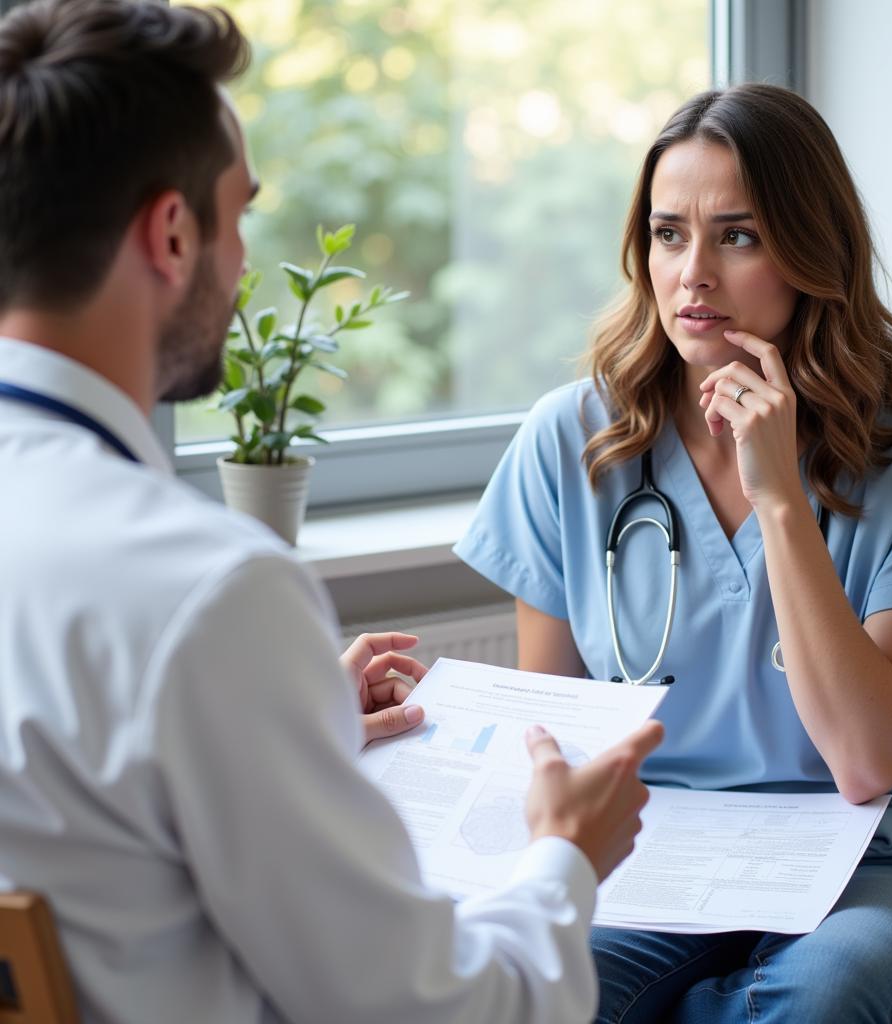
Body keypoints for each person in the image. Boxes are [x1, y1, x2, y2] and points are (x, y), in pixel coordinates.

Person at [0, 2, 665, 1022]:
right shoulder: (206, 591)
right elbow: (435, 1011)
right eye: (241, 212)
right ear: (172, 233)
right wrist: (564, 860)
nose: (243, 259)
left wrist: (286, 734)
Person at [455, 83, 892, 1022]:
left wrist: (780, 501)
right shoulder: (572, 441)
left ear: (811, 251)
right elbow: (557, 736)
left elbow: (869, 762)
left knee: (815, 1000)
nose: (694, 275)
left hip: (877, 867)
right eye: (669, 234)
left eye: (739, 235)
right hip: (656, 865)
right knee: (527, 988)